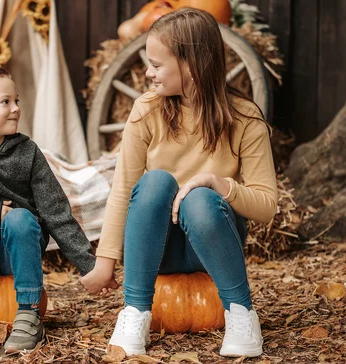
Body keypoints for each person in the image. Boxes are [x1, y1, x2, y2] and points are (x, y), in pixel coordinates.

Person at [80, 8, 279, 358]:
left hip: (214, 244)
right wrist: (105, 261)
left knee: (199, 197)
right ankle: (135, 312)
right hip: (160, 249)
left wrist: (219, 183)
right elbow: (124, 190)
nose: (147, 72)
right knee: (155, 181)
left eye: (157, 64)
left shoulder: (246, 118)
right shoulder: (147, 110)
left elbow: (267, 207)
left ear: (191, 65)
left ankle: (241, 312)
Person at [0, 65, 118, 354]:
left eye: (17, 101)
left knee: (19, 218)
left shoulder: (27, 153)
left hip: (21, 253)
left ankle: (28, 313)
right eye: (6, 102)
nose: (16, 108)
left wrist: (89, 266)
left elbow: (56, 212)